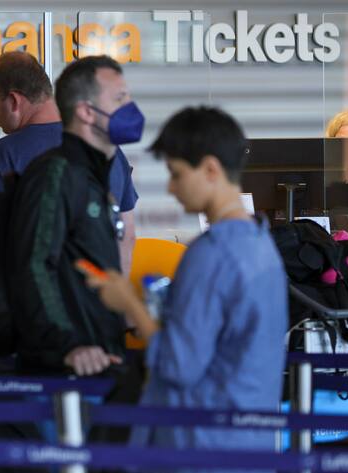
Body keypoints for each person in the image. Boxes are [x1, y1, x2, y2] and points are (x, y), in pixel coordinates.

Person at [86, 106, 287, 456]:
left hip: (199, 443)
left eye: (176, 174)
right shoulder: (261, 242)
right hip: (248, 441)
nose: (171, 187)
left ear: (210, 169)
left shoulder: (212, 254)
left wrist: (129, 303)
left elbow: (177, 364)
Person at [8, 55, 143, 376]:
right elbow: (33, 265)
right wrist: (67, 345)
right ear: (86, 111)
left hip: (101, 359)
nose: (130, 107)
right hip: (65, 371)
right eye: (119, 98)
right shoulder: (55, 174)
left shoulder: (97, 173)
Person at [0, 51, 139, 272]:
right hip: (99, 288)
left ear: (14, 101)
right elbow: (126, 236)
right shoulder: (109, 150)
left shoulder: (3, 155)